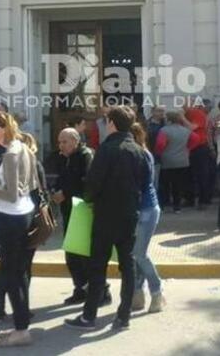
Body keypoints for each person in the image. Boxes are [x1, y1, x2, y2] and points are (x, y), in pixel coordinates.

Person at [65, 106, 147, 331]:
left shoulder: (107, 148)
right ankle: (123, 317)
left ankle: (88, 317)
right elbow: (145, 181)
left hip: (105, 216)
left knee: (97, 266)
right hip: (129, 214)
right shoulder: (138, 150)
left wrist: (89, 199)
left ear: (111, 123)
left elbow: (93, 183)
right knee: (127, 266)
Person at [0, 111, 39, 347]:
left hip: (12, 218)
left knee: (13, 275)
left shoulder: (11, 154)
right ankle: (20, 325)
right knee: (19, 273)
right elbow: (32, 183)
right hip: (24, 214)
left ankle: (21, 330)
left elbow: (12, 195)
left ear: (4, 128)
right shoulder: (23, 147)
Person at [47, 127, 93, 305]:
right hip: (68, 211)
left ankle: (99, 289)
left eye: (64, 142)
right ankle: (80, 288)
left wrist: (65, 192)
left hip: (81, 210)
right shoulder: (63, 158)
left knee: (84, 254)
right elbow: (61, 179)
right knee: (72, 253)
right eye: (59, 142)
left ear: (75, 140)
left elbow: (86, 182)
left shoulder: (85, 156)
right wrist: (55, 191)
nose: (61, 146)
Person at [129, 123, 166, 314]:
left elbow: (139, 185)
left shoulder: (141, 155)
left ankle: (157, 291)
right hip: (140, 209)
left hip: (147, 209)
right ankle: (137, 292)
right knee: (137, 254)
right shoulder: (141, 154)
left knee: (139, 254)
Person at [154, 110, 193, 212]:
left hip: (167, 160)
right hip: (183, 160)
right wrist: (187, 149)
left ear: (168, 120)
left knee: (164, 184)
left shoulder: (164, 130)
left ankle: (162, 205)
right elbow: (196, 139)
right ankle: (177, 207)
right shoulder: (185, 130)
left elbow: (160, 144)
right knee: (178, 185)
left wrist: (159, 153)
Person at [185, 103, 213, 209]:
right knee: (188, 175)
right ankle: (190, 199)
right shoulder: (186, 114)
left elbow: (192, 127)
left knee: (202, 175)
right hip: (188, 148)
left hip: (200, 147)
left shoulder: (198, 114)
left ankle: (203, 200)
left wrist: (182, 118)